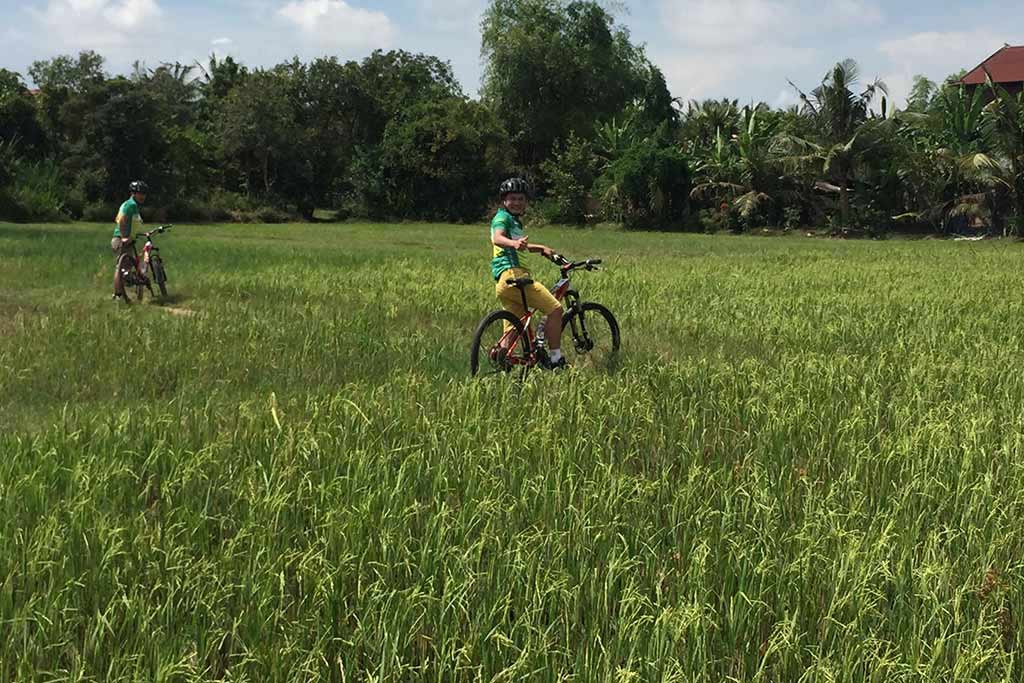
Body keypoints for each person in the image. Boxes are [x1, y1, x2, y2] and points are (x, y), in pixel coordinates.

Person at [490, 177, 566, 369]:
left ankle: (500, 355)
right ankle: (556, 360)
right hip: (514, 276)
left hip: (504, 283)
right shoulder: (502, 218)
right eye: (512, 198)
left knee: (516, 328)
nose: (517, 202)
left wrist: (540, 248)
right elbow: (497, 238)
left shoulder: (514, 223)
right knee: (556, 310)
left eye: (521, 199)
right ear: (504, 201)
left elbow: (519, 245)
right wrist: (514, 243)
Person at [111, 180, 147, 303]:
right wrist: (123, 236)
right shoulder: (130, 205)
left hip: (128, 240)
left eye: (144, 193)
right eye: (140, 193)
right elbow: (121, 220)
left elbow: (134, 224)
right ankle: (118, 295)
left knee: (127, 267)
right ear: (133, 193)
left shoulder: (133, 206)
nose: (142, 196)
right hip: (121, 239)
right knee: (120, 268)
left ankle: (124, 290)